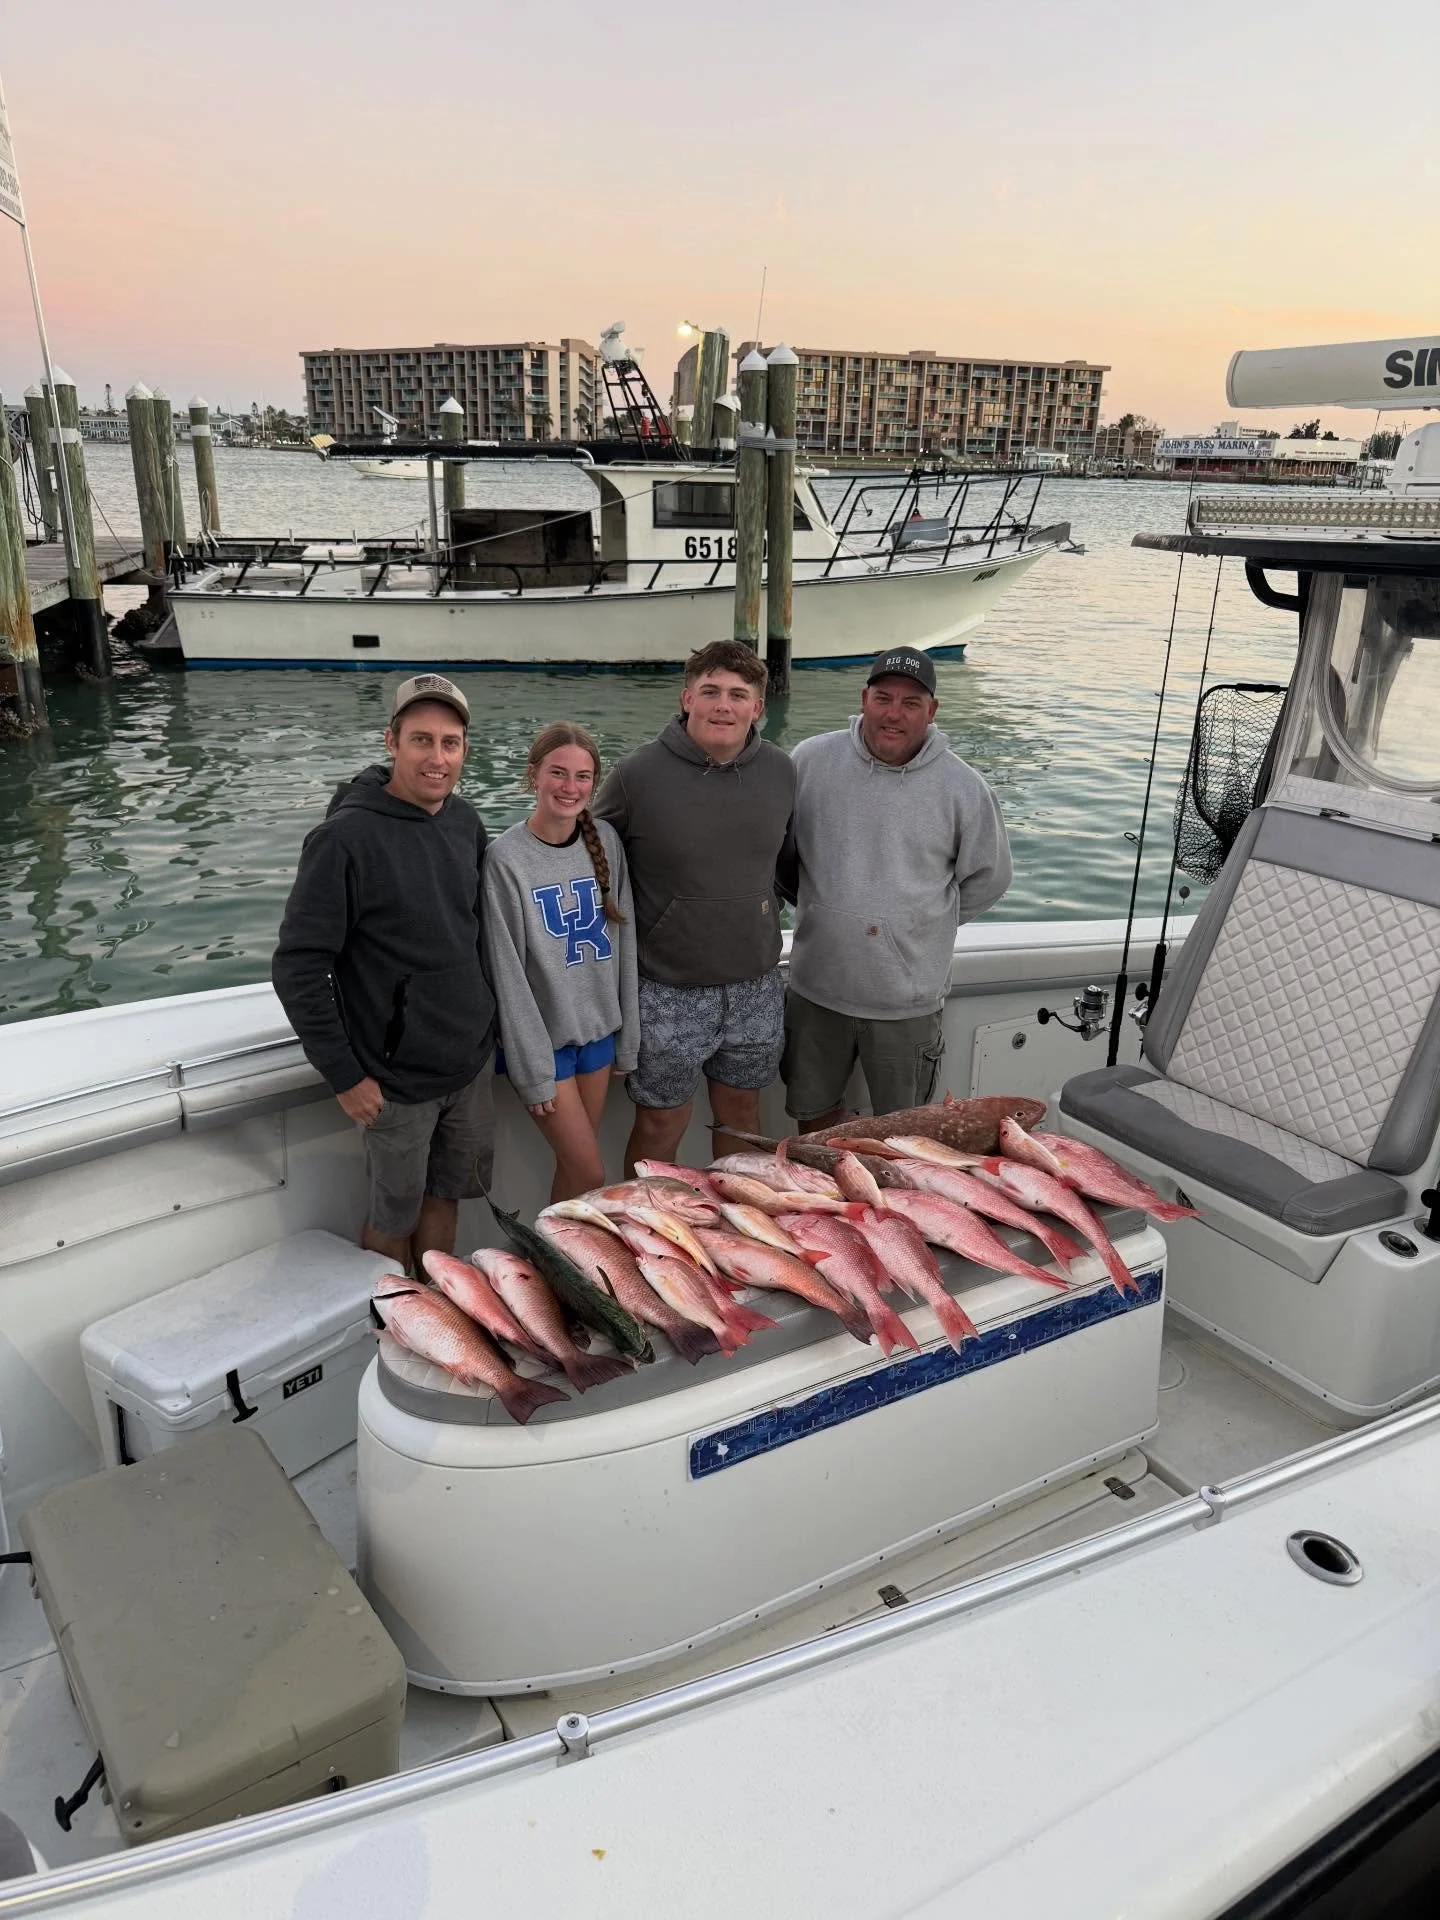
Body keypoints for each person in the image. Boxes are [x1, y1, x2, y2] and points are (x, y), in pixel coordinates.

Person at [272, 673, 496, 1274]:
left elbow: (476, 932)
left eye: (450, 743)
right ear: (391, 741)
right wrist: (345, 1075)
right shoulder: (343, 839)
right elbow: (298, 965)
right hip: (394, 1082)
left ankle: (439, 1309)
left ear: (464, 751)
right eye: (421, 740)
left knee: (446, 1196)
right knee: (392, 1218)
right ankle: (392, 1319)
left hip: (470, 1063)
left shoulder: (466, 822)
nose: (437, 757)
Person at [780, 646, 1011, 1130]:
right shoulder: (808, 761)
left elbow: (989, 878)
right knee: (812, 1125)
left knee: (905, 1135)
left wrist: (920, 924)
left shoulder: (965, 788)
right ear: (863, 699)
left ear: (932, 710)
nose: (894, 714)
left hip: (907, 1003)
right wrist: (825, 909)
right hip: (815, 991)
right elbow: (781, 858)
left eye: (911, 703)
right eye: (883, 698)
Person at [594, 640, 795, 1173]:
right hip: (666, 990)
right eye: (710, 691)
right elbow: (591, 863)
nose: (722, 705)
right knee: (660, 1123)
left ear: (758, 707)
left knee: (742, 1118)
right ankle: (644, 1219)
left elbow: (789, 866)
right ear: (687, 699)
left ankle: (735, 1221)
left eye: (738, 694)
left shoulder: (782, 772)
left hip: (756, 986)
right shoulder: (636, 775)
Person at [483, 724, 639, 1202]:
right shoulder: (505, 858)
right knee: (591, 1171)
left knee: (576, 1177)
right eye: (558, 773)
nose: (570, 787)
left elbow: (624, 943)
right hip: (545, 1045)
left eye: (583, 776)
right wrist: (532, 1071)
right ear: (533, 775)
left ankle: (551, 1249)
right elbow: (507, 972)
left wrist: (627, 1038)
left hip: (598, 1035)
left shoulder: (605, 840)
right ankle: (543, 1245)